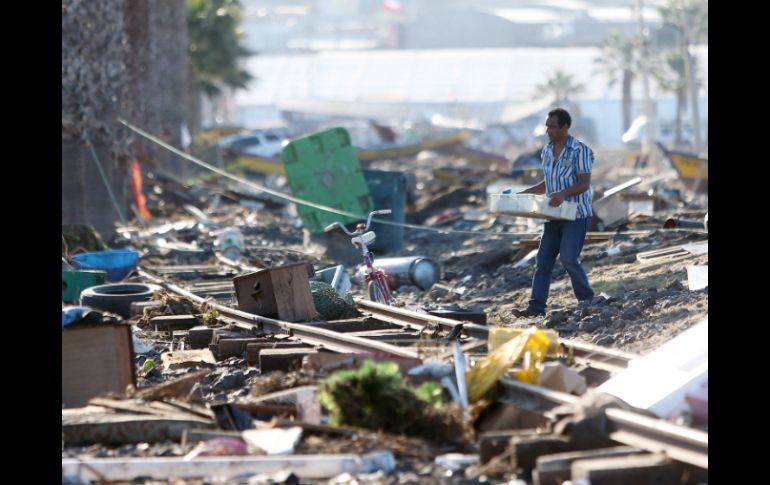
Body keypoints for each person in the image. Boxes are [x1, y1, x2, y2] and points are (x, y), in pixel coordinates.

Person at [512, 108, 595, 317]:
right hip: (553, 216)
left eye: (552, 126)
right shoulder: (547, 151)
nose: (548, 130)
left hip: (576, 215)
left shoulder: (580, 150)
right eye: (547, 126)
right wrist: (525, 193)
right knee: (543, 261)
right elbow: (547, 183)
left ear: (565, 127)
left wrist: (563, 194)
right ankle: (535, 308)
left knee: (568, 259)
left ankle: (587, 299)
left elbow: (584, 183)